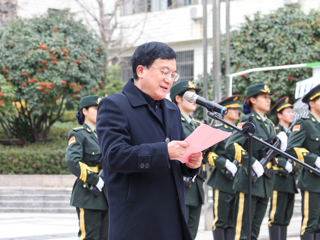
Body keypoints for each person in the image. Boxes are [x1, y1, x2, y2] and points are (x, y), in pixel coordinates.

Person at [96, 42, 202, 240]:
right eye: (164, 71)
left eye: (173, 74)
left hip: (173, 219)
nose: (169, 80)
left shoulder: (171, 109)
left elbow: (176, 158)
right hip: (137, 222)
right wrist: (164, 152)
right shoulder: (115, 105)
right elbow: (115, 156)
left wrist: (190, 165)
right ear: (141, 70)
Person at [225, 83, 285, 240]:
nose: (268, 100)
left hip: (265, 183)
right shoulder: (248, 120)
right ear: (252, 100)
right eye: (264, 97)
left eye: (269, 97)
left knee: (254, 232)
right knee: (243, 232)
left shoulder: (269, 124)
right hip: (249, 181)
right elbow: (231, 145)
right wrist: (251, 162)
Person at [65, 95, 109, 240]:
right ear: (84, 111)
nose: (100, 112)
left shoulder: (107, 134)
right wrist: (94, 179)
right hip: (89, 192)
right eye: (96, 109)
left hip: (109, 193)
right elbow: (73, 161)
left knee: (107, 236)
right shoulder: (79, 134)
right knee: (90, 236)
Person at [170, 80, 206, 240]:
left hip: (195, 186)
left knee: (191, 234)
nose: (194, 99)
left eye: (195, 95)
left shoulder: (197, 125)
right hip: (180, 186)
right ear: (177, 98)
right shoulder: (172, 122)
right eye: (189, 95)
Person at [286, 84, 320, 240]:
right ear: (311, 104)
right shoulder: (305, 123)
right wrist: (315, 160)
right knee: (310, 223)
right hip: (312, 181)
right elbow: (292, 149)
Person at [205, 95, 240, 240]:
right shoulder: (217, 129)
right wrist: (224, 163)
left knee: (232, 220)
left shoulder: (239, 130)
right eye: (234, 109)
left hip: (237, 180)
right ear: (225, 111)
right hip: (222, 179)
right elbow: (207, 154)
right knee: (221, 220)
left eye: (238, 108)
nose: (237, 111)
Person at [268, 96, 297, 240]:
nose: (291, 114)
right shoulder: (276, 131)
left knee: (286, 216)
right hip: (279, 178)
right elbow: (269, 153)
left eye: (292, 112)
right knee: (276, 215)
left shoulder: (292, 133)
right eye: (288, 112)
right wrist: (283, 163)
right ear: (279, 115)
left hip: (290, 179)